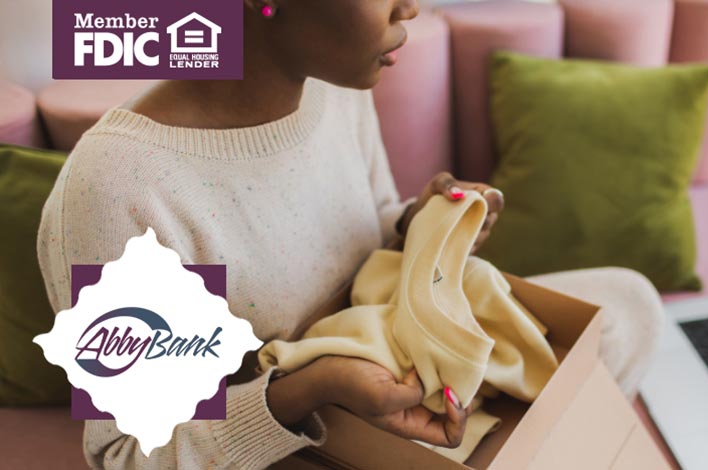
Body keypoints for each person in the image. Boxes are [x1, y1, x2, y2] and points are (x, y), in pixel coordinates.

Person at [36, 0, 663, 468]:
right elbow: (127, 454)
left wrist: (422, 229)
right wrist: (312, 388)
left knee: (628, 303)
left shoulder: (335, 86)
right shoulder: (120, 188)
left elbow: (368, 236)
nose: (409, 7)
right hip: (290, 448)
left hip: (396, 385)